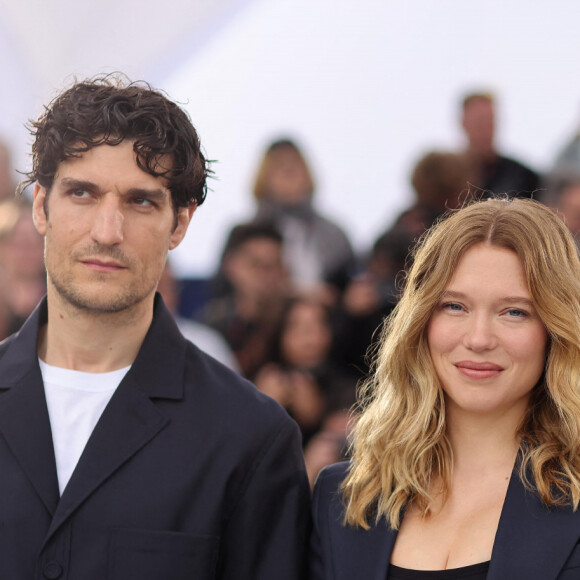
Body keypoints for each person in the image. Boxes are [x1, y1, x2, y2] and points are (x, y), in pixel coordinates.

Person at [0, 75, 310, 579]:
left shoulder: (251, 440)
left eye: (140, 201)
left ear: (180, 224)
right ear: (40, 206)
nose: (107, 231)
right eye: (82, 193)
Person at [310, 197, 580, 579]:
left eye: (514, 311)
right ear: (421, 321)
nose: (479, 338)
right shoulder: (343, 497)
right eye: (455, 306)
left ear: (555, 330)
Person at [250, 138, 355, 303]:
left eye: (294, 167)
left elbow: (350, 287)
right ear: (264, 178)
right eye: (280, 167)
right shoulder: (248, 235)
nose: (289, 173)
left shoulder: (334, 234)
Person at [460, 92, 540, 198]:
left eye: (490, 122)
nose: (485, 130)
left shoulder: (522, 177)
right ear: (464, 123)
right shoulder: (447, 177)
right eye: (479, 122)